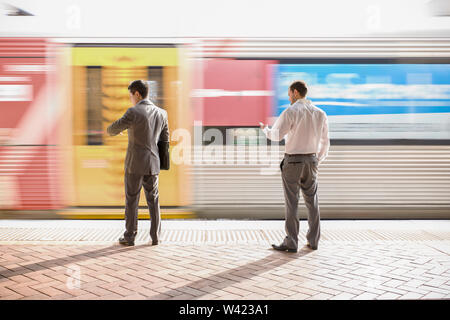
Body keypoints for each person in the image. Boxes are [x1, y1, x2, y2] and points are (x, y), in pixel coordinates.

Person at [260, 80, 329, 252]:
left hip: (293, 162)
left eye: (289, 93)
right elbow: (325, 142)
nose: (288, 96)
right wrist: (316, 160)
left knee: (292, 203)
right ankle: (313, 241)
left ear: (296, 92)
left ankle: (291, 242)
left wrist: (265, 130)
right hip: (311, 161)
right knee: (312, 202)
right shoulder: (320, 113)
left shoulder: (291, 111)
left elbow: (276, 135)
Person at [107, 80, 169, 246]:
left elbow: (112, 129)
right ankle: (156, 237)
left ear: (137, 94)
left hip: (134, 164)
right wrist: (161, 163)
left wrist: (120, 130)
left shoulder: (133, 112)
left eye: (130, 95)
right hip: (152, 164)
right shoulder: (162, 113)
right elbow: (165, 141)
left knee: (132, 200)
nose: (130, 99)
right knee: (153, 201)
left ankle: (130, 236)